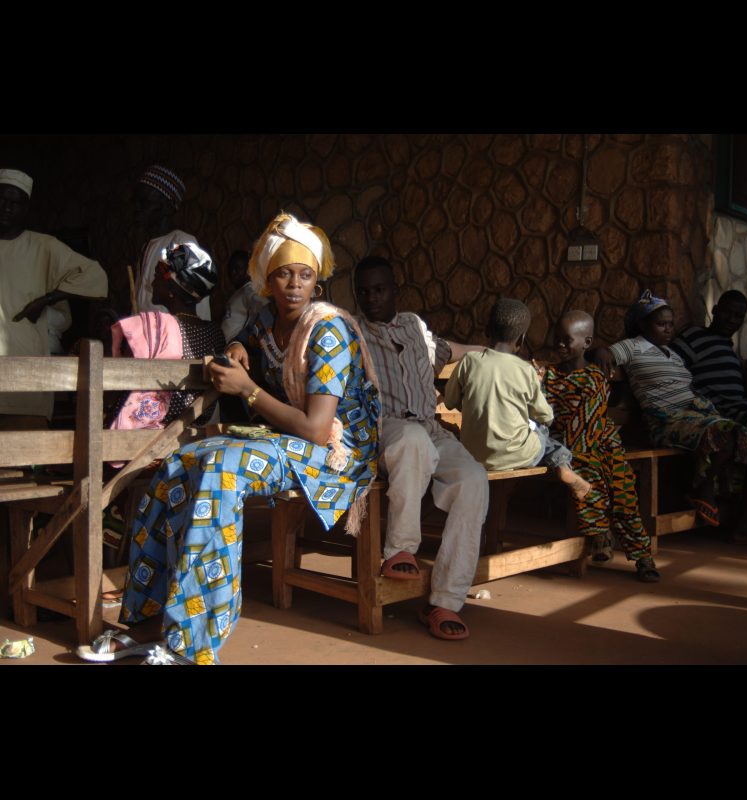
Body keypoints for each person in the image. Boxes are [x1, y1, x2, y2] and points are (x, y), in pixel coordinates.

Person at [77, 212, 380, 664]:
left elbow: (319, 429)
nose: (294, 285)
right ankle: (143, 624)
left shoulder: (328, 330)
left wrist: (248, 390)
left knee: (220, 469)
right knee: (180, 461)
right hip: (289, 441)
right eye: (283, 274)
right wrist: (238, 348)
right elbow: (242, 340)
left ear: (316, 283)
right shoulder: (266, 319)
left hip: (338, 454)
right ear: (267, 282)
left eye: (304, 275)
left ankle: (192, 649)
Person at [354, 255, 488, 641]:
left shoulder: (415, 326)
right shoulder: (352, 332)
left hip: (430, 428)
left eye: (379, 289)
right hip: (387, 428)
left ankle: (445, 601)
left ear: (395, 289)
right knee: (411, 442)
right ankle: (400, 551)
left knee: (474, 478)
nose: (372, 298)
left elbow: (447, 350)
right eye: (364, 292)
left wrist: (489, 351)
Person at [593, 290, 747, 537]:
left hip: (694, 416)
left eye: (671, 324)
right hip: (666, 421)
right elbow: (605, 353)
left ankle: (745, 523)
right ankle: (702, 489)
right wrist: (600, 353)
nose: (669, 330)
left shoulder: (671, 354)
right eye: (661, 324)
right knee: (726, 432)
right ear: (642, 325)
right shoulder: (634, 345)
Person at [543, 310, 659, 581]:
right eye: (557, 338)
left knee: (623, 491)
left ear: (586, 343)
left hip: (602, 446)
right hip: (571, 450)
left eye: (567, 340)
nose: (560, 344)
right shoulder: (549, 376)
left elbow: (587, 419)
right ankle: (600, 534)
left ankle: (642, 556)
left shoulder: (595, 376)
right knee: (585, 475)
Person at [443, 298, 591, 496]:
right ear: (521, 340)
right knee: (547, 439)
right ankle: (563, 465)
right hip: (516, 455)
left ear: (487, 331)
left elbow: (450, 401)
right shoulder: (525, 371)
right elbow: (546, 416)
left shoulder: (470, 361)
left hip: (473, 455)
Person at [0, 168, 108, 427]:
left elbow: (94, 275)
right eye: (2, 199)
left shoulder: (43, 246)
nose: (6, 207)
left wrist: (47, 299)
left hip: (24, 375)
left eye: (14, 203)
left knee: (25, 460)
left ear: (26, 208)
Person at [109, 242, 225, 431]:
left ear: (171, 285)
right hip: (191, 433)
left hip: (141, 440)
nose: (151, 283)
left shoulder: (152, 326)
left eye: (156, 276)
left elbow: (118, 381)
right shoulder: (215, 333)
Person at [671, 291, 747, 436]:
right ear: (715, 310)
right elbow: (670, 367)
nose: (731, 320)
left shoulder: (726, 347)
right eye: (726, 312)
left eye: (738, 316)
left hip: (746, 410)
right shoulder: (695, 335)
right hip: (730, 414)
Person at [130, 165, 212, 321]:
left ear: (167, 207)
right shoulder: (146, 247)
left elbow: (198, 309)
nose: (137, 208)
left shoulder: (182, 243)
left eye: (145, 202)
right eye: (136, 201)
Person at [220, 249, 268, 341]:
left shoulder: (249, 290)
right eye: (231, 268)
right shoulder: (240, 291)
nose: (233, 272)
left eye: (238, 269)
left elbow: (265, 306)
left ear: (248, 270)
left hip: (235, 347)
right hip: (226, 346)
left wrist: (248, 336)